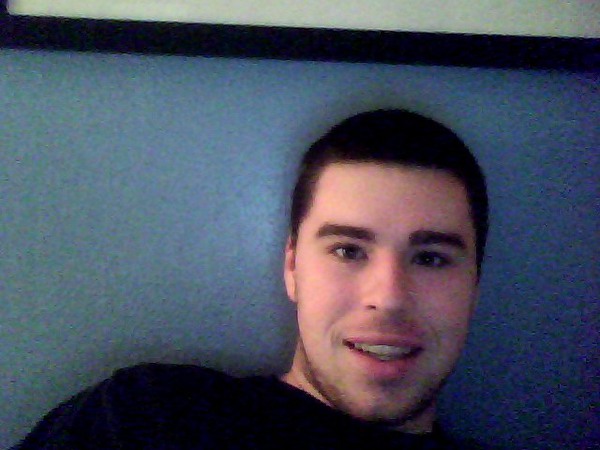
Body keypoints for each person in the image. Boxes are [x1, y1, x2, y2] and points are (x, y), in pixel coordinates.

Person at [13, 109, 489, 449]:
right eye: (348, 251)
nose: (389, 296)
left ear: (475, 285)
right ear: (292, 268)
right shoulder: (146, 416)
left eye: (431, 259)